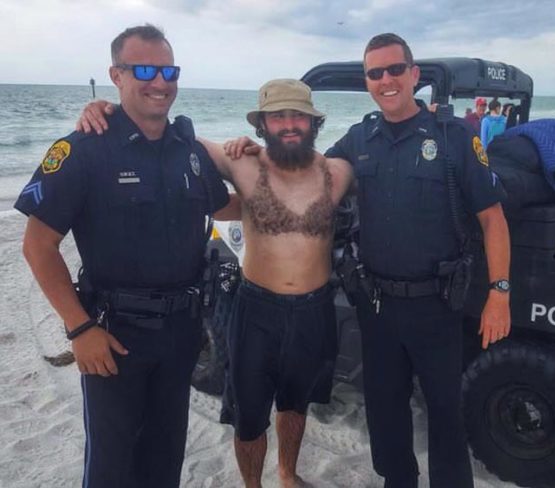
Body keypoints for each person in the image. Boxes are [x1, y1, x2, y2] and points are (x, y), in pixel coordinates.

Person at [77, 79, 354, 488]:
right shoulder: (241, 163)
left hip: (315, 310)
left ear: (314, 122)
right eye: (278, 116)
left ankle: (287, 473)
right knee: (249, 414)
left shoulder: (338, 171)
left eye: (299, 116)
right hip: (257, 310)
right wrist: (109, 110)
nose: (289, 124)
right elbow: (173, 130)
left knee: (296, 403)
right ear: (261, 124)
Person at [14, 25, 234, 488]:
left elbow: (224, 204)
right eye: (145, 70)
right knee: (112, 466)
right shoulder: (82, 150)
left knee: (165, 455)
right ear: (117, 75)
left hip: (181, 334)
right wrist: (79, 328)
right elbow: (38, 244)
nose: (160, 82)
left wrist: (268, 176)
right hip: (114, 337)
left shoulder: (188, 151)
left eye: (169, 70)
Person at [324, 33, 511, 488]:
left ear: (413, 76)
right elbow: (311, 174)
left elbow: (493, 219)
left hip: (436, 306)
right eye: (375, 73)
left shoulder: (453, 138)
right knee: (384, 410)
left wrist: (500, 293)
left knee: (445, 412)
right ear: (367, 81)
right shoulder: (358, 138)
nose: (385, 80)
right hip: (377, 305)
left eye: (394, 70)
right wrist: (251, 152)